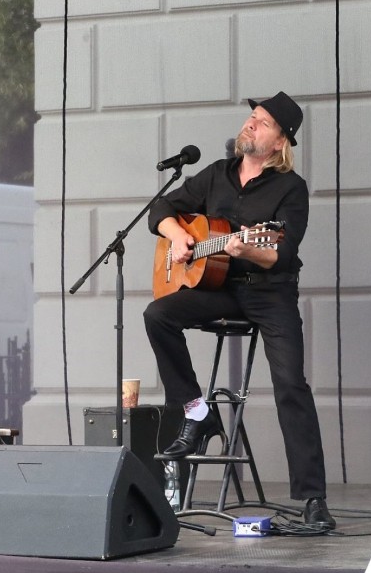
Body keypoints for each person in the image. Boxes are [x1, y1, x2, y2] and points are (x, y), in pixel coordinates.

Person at [143, 92, 335, 530]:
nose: (250, 125)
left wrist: (249, 248)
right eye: (251, 117)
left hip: (270, 294)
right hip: (220, 289)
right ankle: (197, 412)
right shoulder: (216, 175)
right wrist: (177, 237)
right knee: (158, 315)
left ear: (280, 141)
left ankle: (312, 499)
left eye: (262, 122)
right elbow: (161, 209)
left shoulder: (291, 189)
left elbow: (281, 254)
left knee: (290, 384)